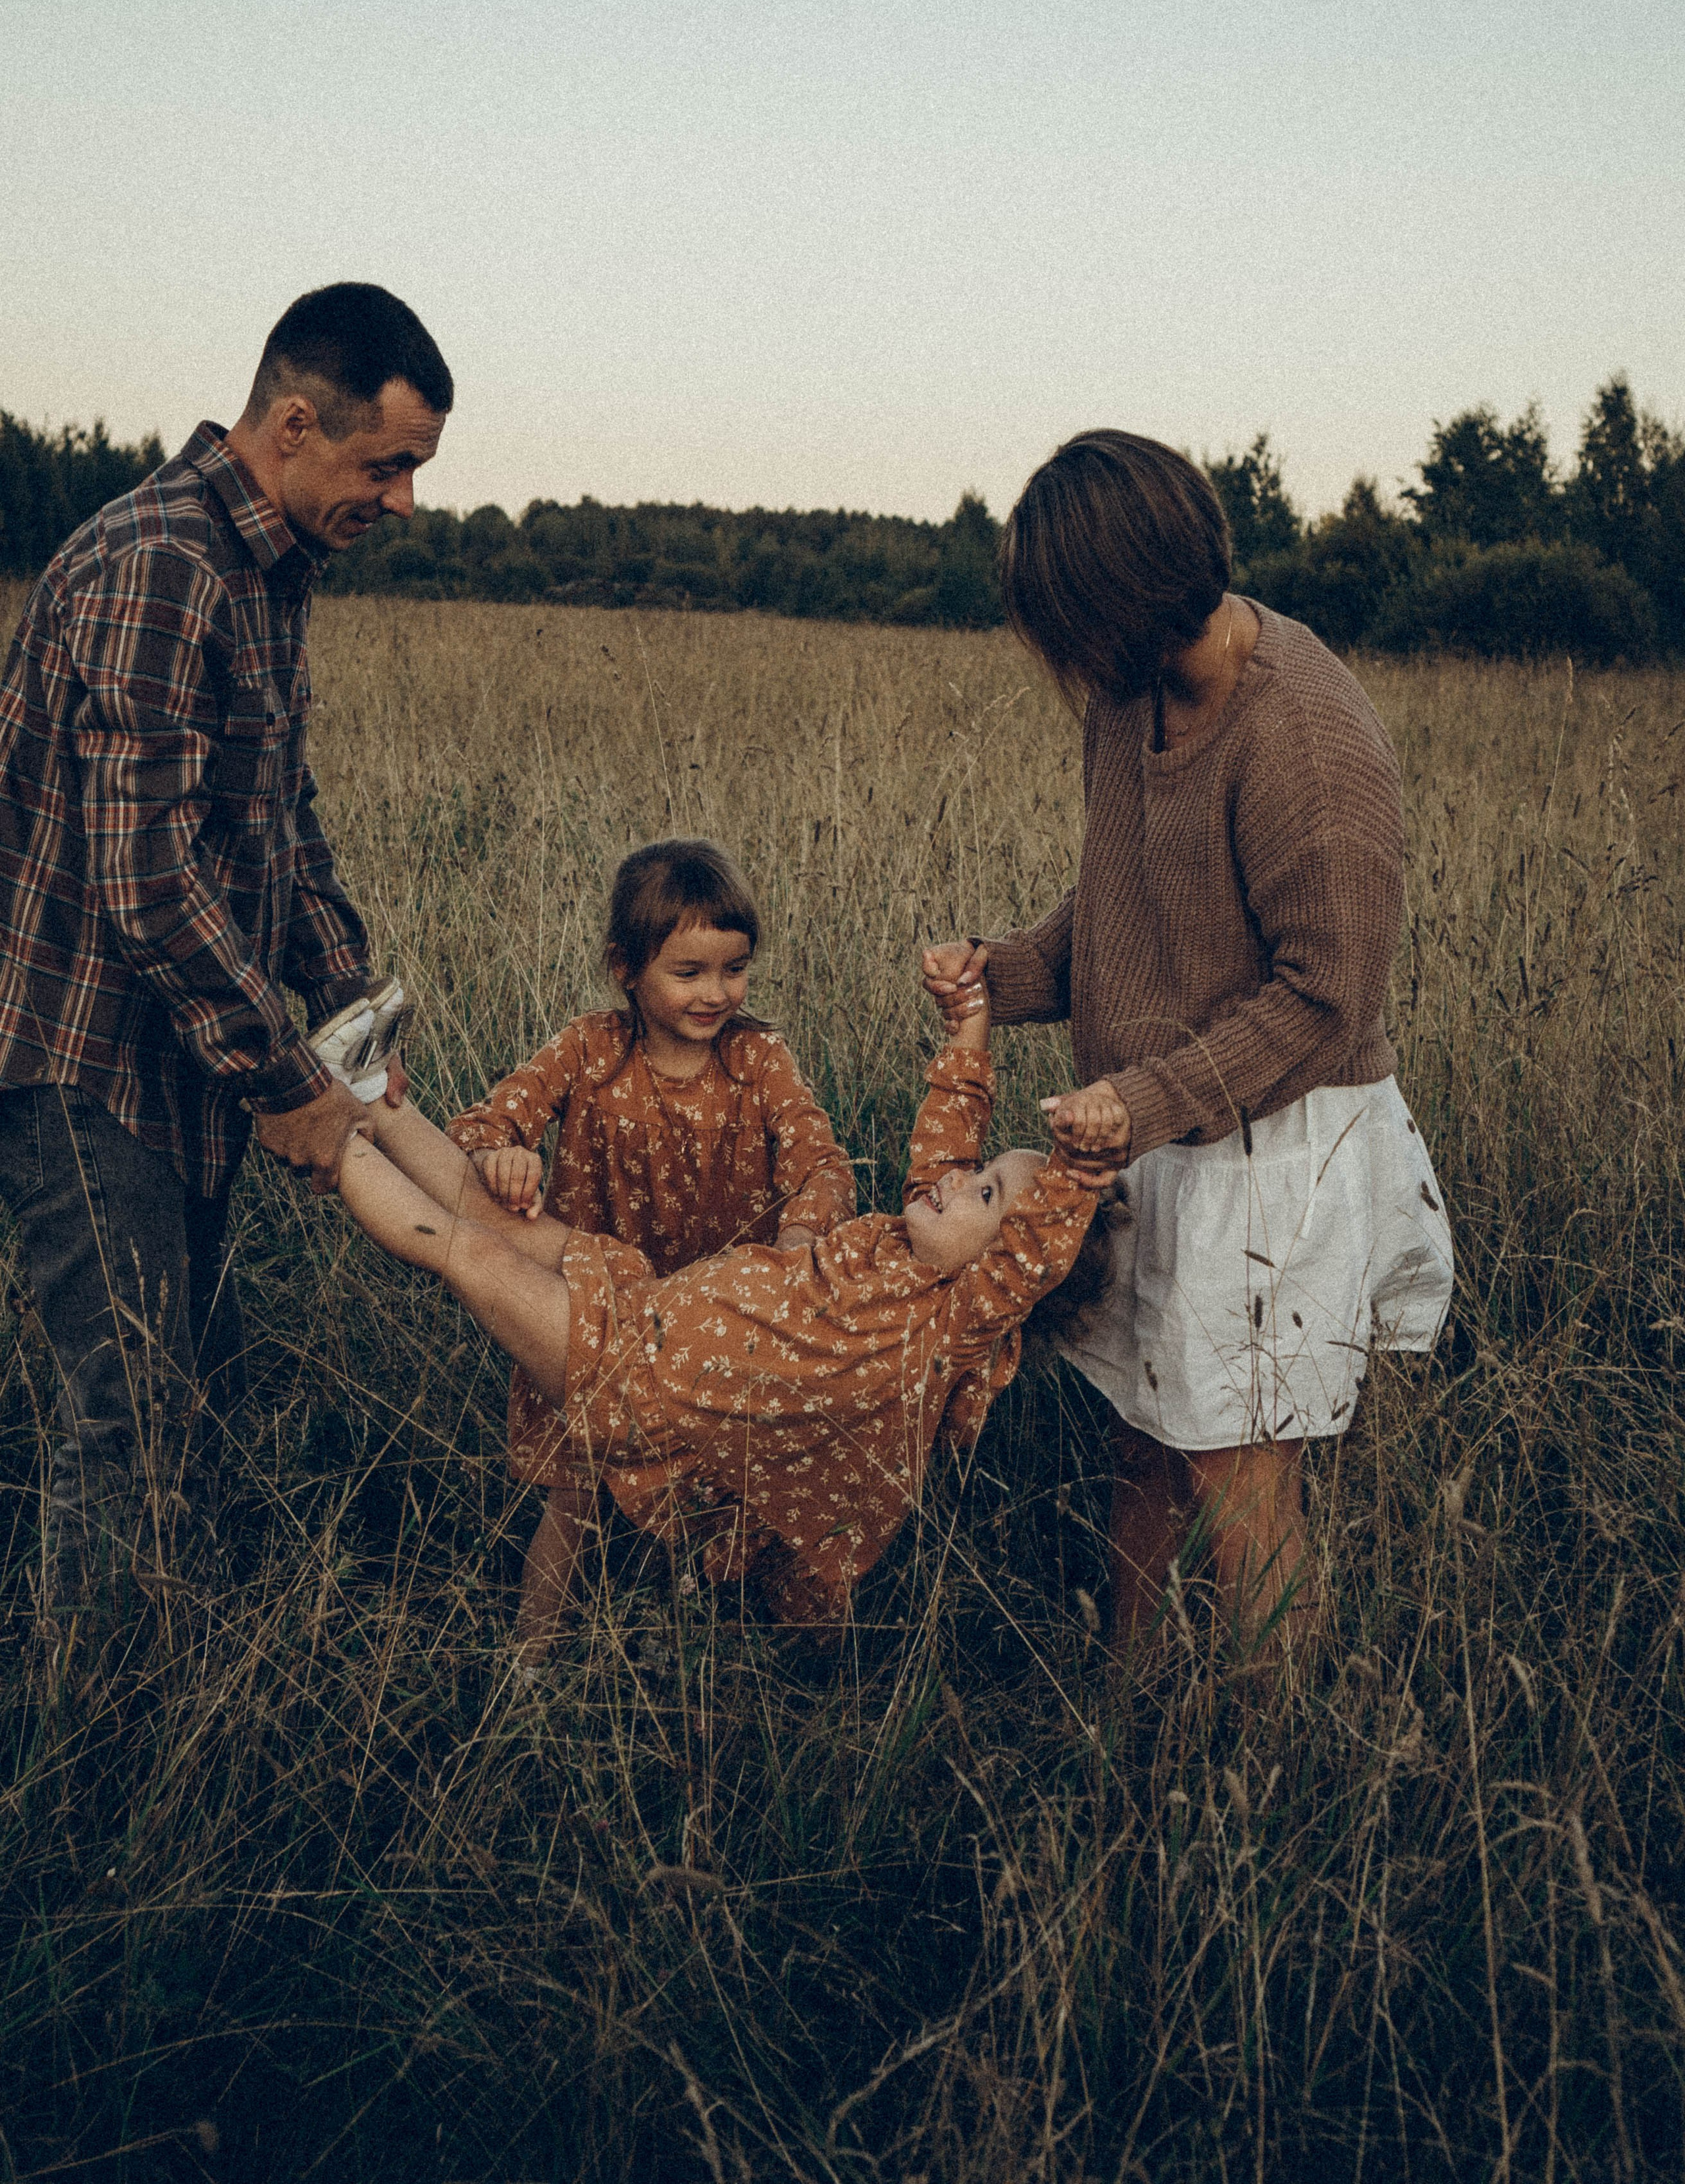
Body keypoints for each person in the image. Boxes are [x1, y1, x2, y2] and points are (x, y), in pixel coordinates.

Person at [923, 429, 1453, 1658]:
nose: (1055, 659)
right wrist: (998, 975)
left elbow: (1329, 996)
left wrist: (1148, 1099)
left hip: (1279, 1150)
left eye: (1062, 624)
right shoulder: (1132, 695)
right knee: (1141, 1425)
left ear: (1121, 608)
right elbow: (1124, 902)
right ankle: (1131, 1701)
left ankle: (1274, 1777)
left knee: (1236, 1465)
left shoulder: (1304, 739)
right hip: (1157, 1126)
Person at [0, 282, 452, 1670]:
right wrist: (287, 1082)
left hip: (177, 1063)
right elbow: (145, 882)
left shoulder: (266, 570)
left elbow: (272, 822)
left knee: (178, 1395)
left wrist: (349, 1006)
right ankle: (86, 1768)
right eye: (391, 464)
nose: (407, 501)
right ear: (295, 423)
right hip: (86, 1065)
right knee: (129, 1415)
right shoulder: (162, 565)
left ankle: (139, 1676)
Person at [321, 966, 1097, 1636]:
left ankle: (326, 1131)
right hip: (645, 1299)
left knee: (469, 1252)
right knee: (494, 1221)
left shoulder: (950, 1315)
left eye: (984, 1191)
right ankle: (369, 1095)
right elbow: (946, 1140)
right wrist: (972, 1024)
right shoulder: (911, 1236)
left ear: (1006, 1270)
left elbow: (1035, 1243)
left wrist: (1082, 1165)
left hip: (643, 1384)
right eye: (976, 1171)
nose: (957, 1180)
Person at [446, 838, 856, 1655]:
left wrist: (804, 1231)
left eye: (734, 969)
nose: (717, 993)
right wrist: (503, 1153)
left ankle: (742, 1653)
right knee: (578, 1492)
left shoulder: (757, 1059)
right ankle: (531, 1655)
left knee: (733, 1485)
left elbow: (821, 1157)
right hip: (601, 1311)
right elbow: (485, 1125)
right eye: (690, 972)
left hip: (718, 1317)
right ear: (625, 968)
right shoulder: (590, 1051)